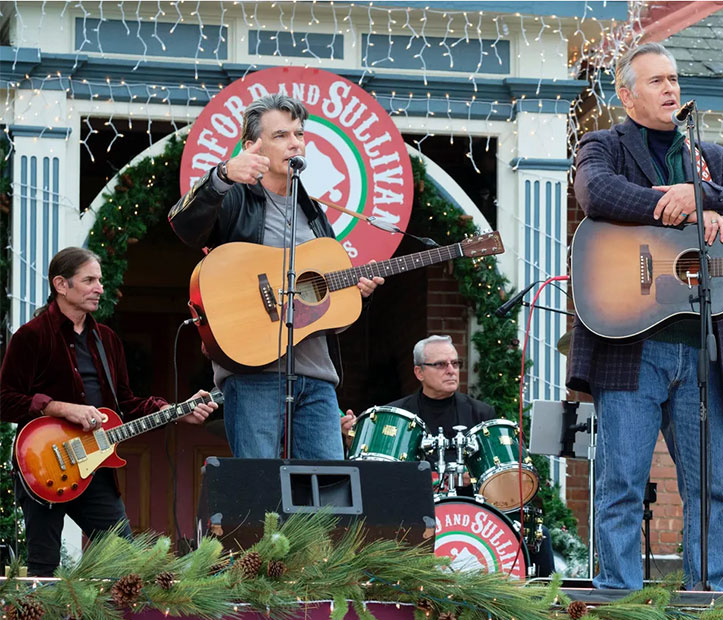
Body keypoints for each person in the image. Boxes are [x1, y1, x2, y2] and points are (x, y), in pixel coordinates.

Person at [567, 42, 723, 591]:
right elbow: (595, 192)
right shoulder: (602, 144)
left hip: (702, 347)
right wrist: (666, 205)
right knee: (622, 483)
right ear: (627, 95)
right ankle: (620, 596)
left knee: (711, 487)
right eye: (656, 81)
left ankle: (710, 596)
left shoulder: (710, 157)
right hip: (631, 345)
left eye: (674, 78)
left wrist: (694, 192)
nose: (671, 89)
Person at [169, 94, 382, 461]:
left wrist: (356, 293)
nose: (295, 142)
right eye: (282, 135)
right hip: (251, 372)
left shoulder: (314, 213)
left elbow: (325, 310)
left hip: (317, 377)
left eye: (299, 134)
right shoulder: (235, 198)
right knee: (259, 495)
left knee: (327, 496)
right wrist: (220, 177)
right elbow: (183, 224)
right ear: (253, 146)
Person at [0, 247, 217, 576]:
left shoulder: (107, 340)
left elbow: (125, 404)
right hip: (43, 465)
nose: (99, 288)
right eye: (89, 280)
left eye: (99, 280)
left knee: (125, 562)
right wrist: (59, 407)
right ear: (61, 284)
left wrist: (175, 411)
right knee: (43, 567)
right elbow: (5, 398)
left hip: (95, 470)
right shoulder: (30, 337)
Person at [344, 335, 555, 576]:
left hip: (473, 513)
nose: (451, 370)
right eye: (441, 364)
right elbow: (378, 473)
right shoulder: (398, 414)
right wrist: (352, 438)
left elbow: (499, 474)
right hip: (416, 510)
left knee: (540, 534)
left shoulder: (481, 413)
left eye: (455, 363)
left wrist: (472, 477)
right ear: (419, 372)